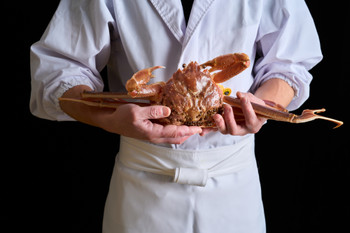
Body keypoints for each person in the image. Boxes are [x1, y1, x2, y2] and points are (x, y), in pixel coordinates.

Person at [30, 0, 322, 232]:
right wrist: (108, 119)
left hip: (234, 186)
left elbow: (290, 63)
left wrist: (260, 106)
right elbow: (59, 72)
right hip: (142, 183)